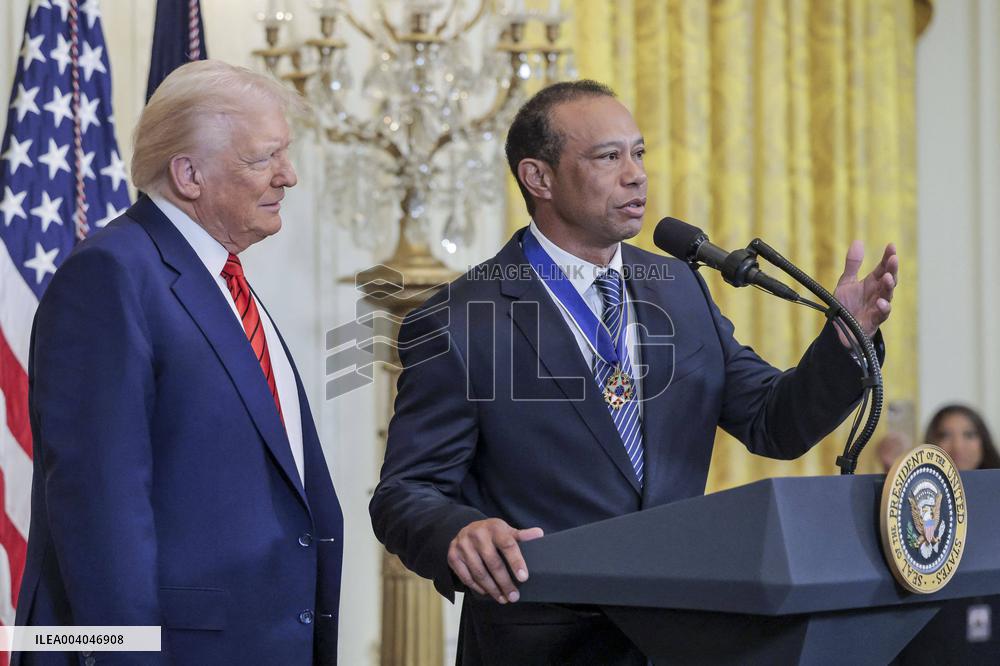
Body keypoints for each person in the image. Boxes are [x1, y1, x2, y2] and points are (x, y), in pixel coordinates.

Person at [370, 80, 897, 665]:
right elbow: (405, 492)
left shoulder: (681, 290)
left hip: (684, 637)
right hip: (542, 645)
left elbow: (775, 424)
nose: (636, 174)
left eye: (639, 153)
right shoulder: (458, 318)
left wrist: (847, 342)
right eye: (608, 157)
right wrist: (457, 533)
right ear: (538, 178)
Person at [14, 61, 343, 665]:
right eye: (263, 158)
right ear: (188, 174)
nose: (288, 176)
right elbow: (98, 502)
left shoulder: (219, 279)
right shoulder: (110, 274)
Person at [883, 405, 1000, 664]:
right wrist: (895, 477)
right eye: (945, 435)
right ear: (931, 444)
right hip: (936, 628)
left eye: (969, 434)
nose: (957, 445)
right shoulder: (921, 495)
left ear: (983, 442)